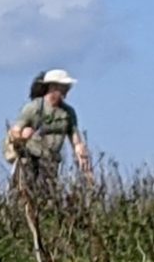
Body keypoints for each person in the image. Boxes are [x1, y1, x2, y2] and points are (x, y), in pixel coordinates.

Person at [5, 67, 91, 200]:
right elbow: (14, 131)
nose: (68, 89)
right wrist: (22, 136)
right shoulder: (34, 108)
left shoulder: (68, 113)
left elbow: (75, 138)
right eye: (64, 86)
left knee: (47, 197)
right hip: (29, 159)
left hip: (50, 161)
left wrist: (81, 153)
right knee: (23, 196)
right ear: (53, 86)